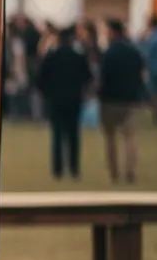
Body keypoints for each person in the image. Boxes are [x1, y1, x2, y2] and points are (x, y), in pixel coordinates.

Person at [36, 25, 93, 181]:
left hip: (55, 99)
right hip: (74, 100)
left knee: (57, 135)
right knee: (73, 135)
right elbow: (88, 77)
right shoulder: (78, 56)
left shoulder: (51, 56)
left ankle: (57, 169)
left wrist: (47, 94)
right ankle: (74, 168)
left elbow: (40, 79)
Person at [97, 19, 146, 184]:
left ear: (112, 32)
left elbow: (103, 77)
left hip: (110, 100)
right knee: (130, 137)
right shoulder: (134, 52)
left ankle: (114, 173)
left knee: (110, 139)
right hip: (131, 99)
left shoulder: (108, 53)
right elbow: (141, 73)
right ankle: (130, 171)